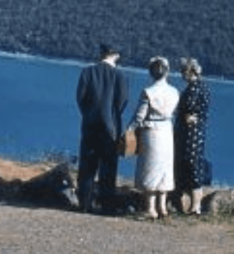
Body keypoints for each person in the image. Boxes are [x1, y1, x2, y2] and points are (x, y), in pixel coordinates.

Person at [76, 43, 130, 214]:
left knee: (87, 165)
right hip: (111, 127)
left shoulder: (87, 72)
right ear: (116, 55)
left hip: (90, 124)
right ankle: (107, 205)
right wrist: (112, 116)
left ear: (101, 53)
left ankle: (84, 203)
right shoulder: (120, 75)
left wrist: (89, 113)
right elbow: (122, 101)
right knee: (108, 167)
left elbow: (80, 98)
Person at [126, 56, 180, 219]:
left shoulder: (148, 92)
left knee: (150, 168)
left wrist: (129, 129)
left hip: (152, 131)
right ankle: (162, 207)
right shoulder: (174, 92)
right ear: (167, 72)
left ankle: (150, 209)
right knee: (164, 168)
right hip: (167, 131)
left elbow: (139, 116)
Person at [175, 57, 211, 215]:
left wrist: (183, 114)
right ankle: (193, 204)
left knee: (192, 164)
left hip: (191, 133)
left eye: (183, 71)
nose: (182, 74)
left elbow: (188, 110)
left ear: (190, 71)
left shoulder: (195, 88)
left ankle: (195, 206)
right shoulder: (202, 86)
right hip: (195, 131)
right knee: (192, 163)